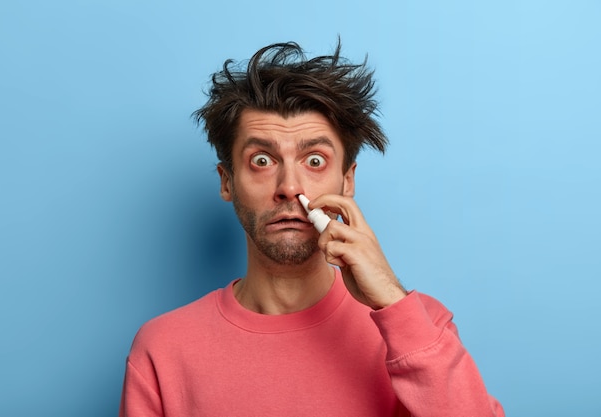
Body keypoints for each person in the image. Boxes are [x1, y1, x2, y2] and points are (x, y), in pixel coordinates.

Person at [119, 40, 504, 417]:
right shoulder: (162, 351)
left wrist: (392, 301)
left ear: (347, 181)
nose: (290, 187)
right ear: (227, 182)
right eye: (262, 160)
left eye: (315, 160)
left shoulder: (420, 329)